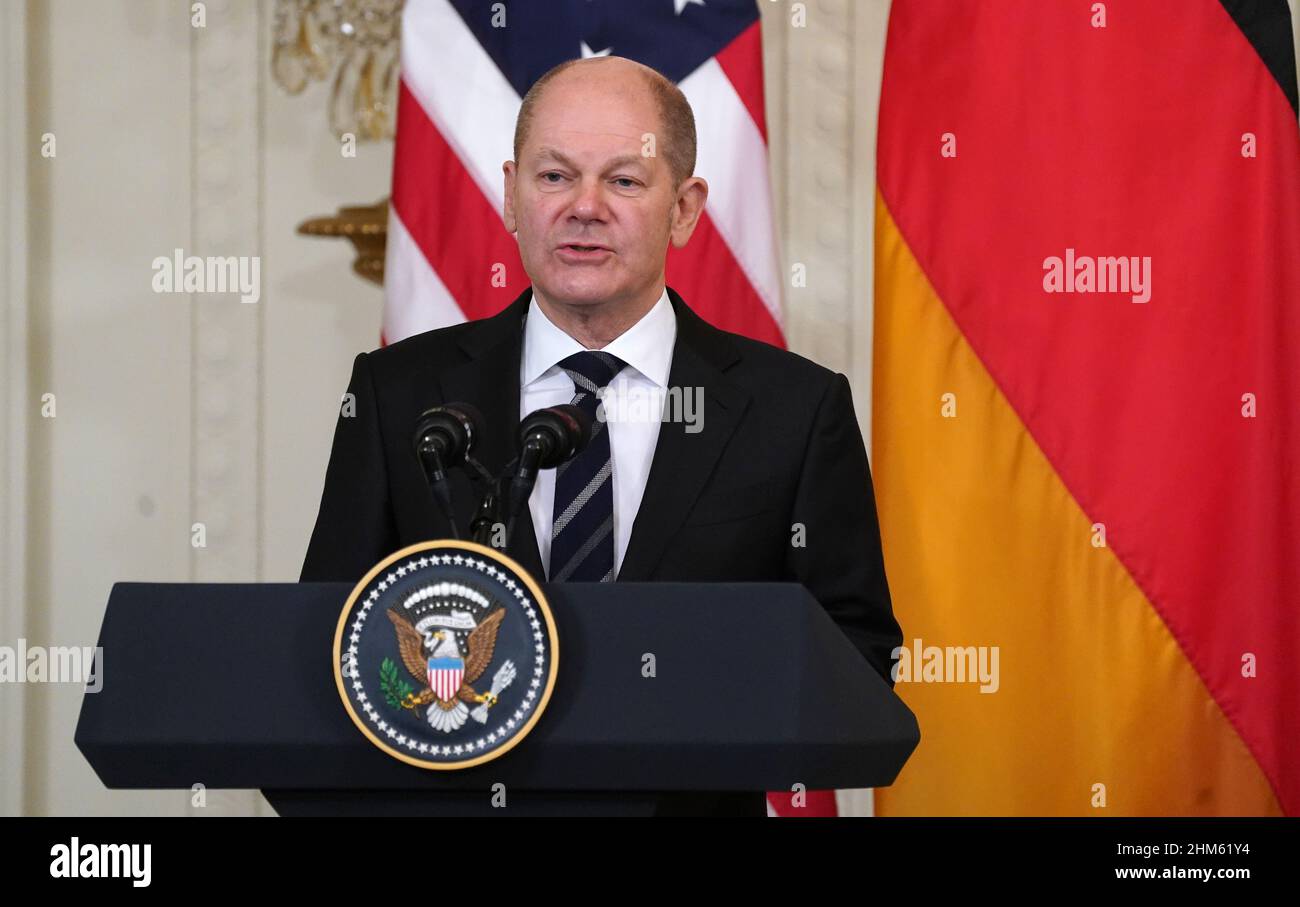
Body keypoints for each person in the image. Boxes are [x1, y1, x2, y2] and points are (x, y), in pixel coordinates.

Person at [301, 55, 902, 817]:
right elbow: (329, 644)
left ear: (684, 209)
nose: (584, 207)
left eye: (623, 180)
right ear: (513, 196)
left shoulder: (794, 409)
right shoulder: (399, 396)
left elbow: (856, 658)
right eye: (554, 177)